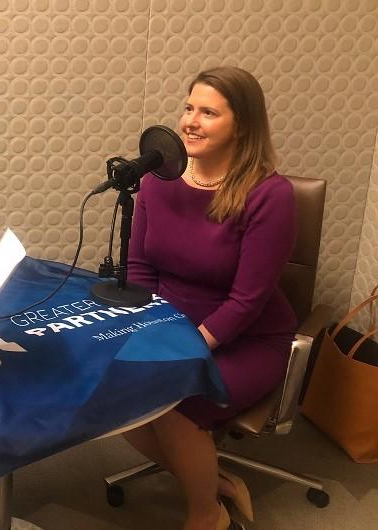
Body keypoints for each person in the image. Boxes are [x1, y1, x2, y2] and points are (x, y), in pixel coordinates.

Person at [124, 66, 297, 530]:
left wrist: (184, 350)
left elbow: (247, 300)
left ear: (242, 125)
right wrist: (148, 331)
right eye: (188, 108)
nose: (190, 122)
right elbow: (140, 269)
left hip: (247, 337)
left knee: (175, 401)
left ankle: (207, 515)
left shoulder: (270, 195)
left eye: (208, 113)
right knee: (115, 394)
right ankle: (215, 482)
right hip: (170, 323)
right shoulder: (157, 181)